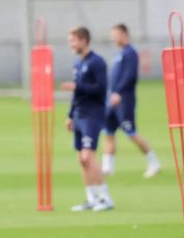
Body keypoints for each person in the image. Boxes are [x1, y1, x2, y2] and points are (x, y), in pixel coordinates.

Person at [60, 26, 114, 212]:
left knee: (87, 156)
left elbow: (100, 88)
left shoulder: (97, 62)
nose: (71, 45)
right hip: (79, 115)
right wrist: (70, 115)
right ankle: (91, 198)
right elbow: (77, 93)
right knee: (81, 160)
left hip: (93, 114)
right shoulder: (78, 63)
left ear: (83, 40)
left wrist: (77, 86)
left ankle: (105, 198)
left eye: (73, 41)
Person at [102, 23, 161, 178]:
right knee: (108, 132)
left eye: (115, 35)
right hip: (112, 100)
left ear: (124, 35)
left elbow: (130, 76)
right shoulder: (119, 54)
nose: (113, 39)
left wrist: (119, 93)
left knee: (131, 132)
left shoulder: (131, 53)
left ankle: (153, 162)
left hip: (124, 100)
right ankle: (107, 167)